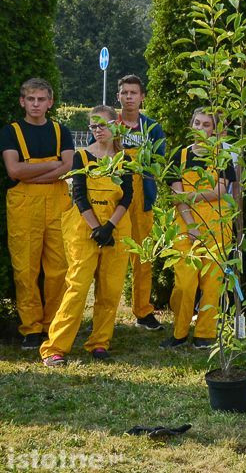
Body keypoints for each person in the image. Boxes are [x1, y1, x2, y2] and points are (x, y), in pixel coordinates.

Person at [39, 106, 134, 366]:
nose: (97, 130)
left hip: (116, 229)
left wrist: (109, 227)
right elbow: (79, 195)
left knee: (111, 289)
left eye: (102, 125)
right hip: (84, 229)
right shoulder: (81, 156)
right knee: (77, 287)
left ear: (116, 125)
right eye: (93, 126)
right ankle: (55, 347)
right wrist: (96, 229)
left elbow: (127, 196)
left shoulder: (125, 160)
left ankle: (100, 342)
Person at [1, 78, 74, 350]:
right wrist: (53, 166)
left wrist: (32, 174)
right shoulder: (11, 132)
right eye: (30, 99)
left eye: (41, 99)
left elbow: (68, 167)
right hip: (23, 206)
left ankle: (53, 324)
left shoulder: (60, 130)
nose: (35, 104)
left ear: (50, 102)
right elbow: (14, 170)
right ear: (22, 101)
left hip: (57, 204)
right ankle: (30, 328)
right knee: (25, 269)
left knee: (59, 268)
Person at [162, 108, 235, 349]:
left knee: (212, 283)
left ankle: (205, 334)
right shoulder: (180, 156)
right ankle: (179, 332)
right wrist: (192, 225)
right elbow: (176, 196)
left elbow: (221, 190)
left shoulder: (221, 157)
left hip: (217, 224)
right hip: (185, 224)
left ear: (214, 130)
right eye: (197, 123)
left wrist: (190, 195)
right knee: (184, 283)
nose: (200, 128)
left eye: (206, 125)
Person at [109, 75, 167, 331]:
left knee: (143, 257)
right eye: (125, 92)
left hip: (143, 198)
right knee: (111, 258)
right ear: (118, 97)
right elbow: (95, 156)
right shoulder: (110, 125)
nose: (129, 97)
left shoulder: (152, 128)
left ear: (142, 97)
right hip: (114, 201)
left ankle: (143, 311)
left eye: (134, 93)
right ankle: (104, 313)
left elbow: (159, 162)